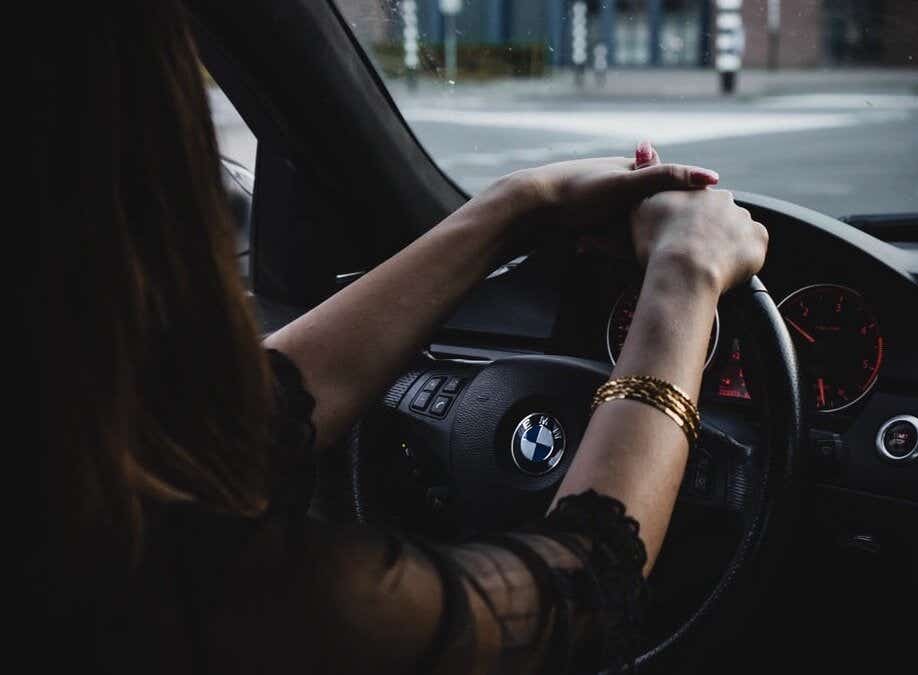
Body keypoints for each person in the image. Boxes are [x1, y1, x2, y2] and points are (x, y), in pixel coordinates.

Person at [27, 3, 767, 673]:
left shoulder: (65, 491)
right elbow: (580, 590)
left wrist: (520, 204)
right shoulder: (214, 601)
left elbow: (242, 425)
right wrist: (684, 278)